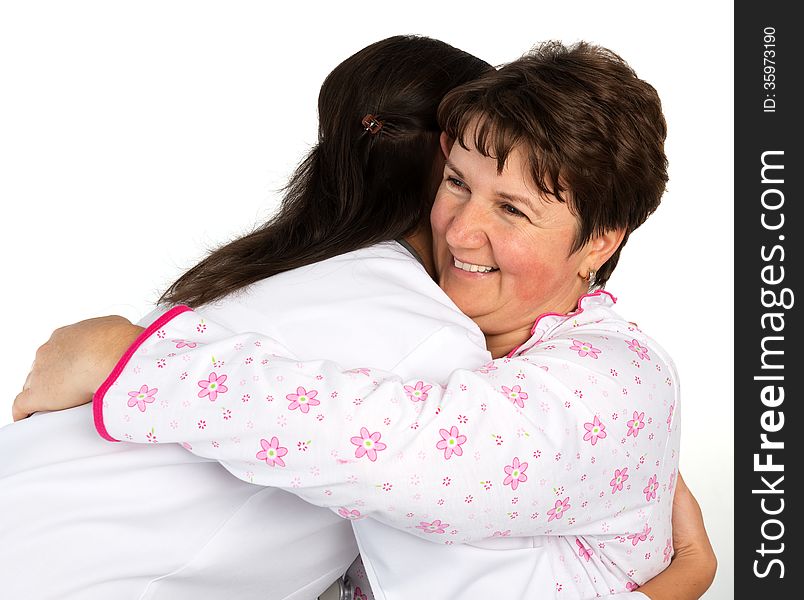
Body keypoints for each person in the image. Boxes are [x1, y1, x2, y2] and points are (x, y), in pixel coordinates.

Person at [9, 40, 716, 599]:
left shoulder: (616, 377)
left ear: (600, 238)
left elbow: (414, 461)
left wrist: (133, 364)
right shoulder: (444, 339)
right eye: (457, 184)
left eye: (512, 209)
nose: (461, 231)